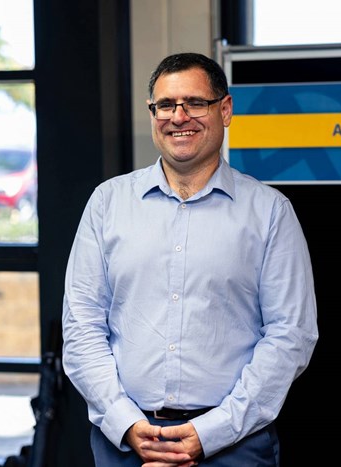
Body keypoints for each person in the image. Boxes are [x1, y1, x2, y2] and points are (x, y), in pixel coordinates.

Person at [61, 52, 319, 466]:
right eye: (165, 105)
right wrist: (127, 423)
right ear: (152, 113)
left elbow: (291, 335)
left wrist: (211, 433)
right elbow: (81, 326)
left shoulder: (270, 211)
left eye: (195, 103)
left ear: (225, 110)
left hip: (234, 445)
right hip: (126, 445)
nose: (178, 117)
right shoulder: (107, 203)